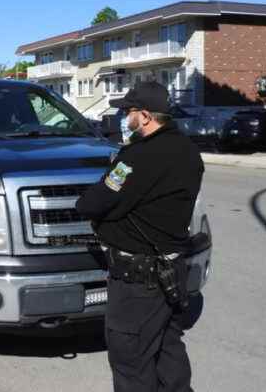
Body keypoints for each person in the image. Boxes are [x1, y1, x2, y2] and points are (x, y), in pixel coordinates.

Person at [75, 81, 204, 392]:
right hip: (171, 272)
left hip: (137, 280)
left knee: (131, 359)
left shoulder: (138, 156)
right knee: (167, 348)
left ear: (145, 116)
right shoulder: (187, 149)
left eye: (128, 112)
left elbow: (92, 203)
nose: (124, 117)